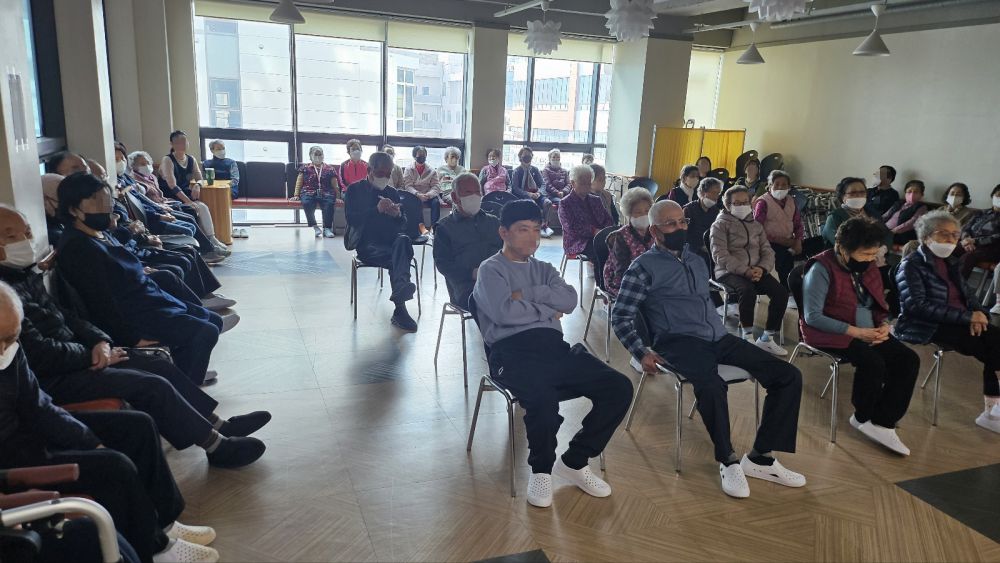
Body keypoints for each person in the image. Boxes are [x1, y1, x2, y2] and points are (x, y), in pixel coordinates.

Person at [0, 208, 268, 467]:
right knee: (152, 385)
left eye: (28, 233)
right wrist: (91, 355)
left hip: (81, 355)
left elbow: (68, 316)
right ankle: (217, 447)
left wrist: (99, 341)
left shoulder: (25, 275)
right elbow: (38, 354)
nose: (25, 241)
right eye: (12, 236)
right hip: (54, 376)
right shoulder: (5, 295)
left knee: (159, 367)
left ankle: (218, 425)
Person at [0, 282, 220, 563]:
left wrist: (90, 441)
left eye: (12, 337)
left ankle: (164, 523)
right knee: (114, 467)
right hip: (11, 457)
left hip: (29, 429)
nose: (5, 348)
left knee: (136, 427)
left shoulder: (10, 349)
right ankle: (155, 549)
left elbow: (38, 406)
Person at [611, 199, 804, 499]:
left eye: (682, 221)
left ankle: (761, 457)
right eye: (670, 224)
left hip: (717, 336)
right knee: (712, 385)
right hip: (677, 341)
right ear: (655, 231)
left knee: (788, 375)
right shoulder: (642, 268)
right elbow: (621, 315)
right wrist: (640, 351)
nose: (679, 228)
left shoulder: (697, 259)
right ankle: (728, 459)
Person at [472, 200, 633, 508]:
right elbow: (504, 313)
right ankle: (542, 470)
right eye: (523, 230)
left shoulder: (544, 269)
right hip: (511, 354)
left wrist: (527, 295)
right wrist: (547, 310)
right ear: (503, 232)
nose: (533, 238)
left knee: (619, 387)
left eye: (536, 229)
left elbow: (569, 301)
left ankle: (574, 461)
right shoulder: (491, 270)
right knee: (543, 400)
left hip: (554, 348)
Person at [54, 173, 226, 386]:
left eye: (107, 201)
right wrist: (131, 337)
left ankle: (185, 372)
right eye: (97, 202)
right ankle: (187, 389)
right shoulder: (78, 247)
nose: (105, 208)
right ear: (73, 209)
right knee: (204, 332)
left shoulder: (97, 232)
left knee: (214, 320)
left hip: (149, 300)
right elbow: (100, 301)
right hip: (135, 314)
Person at [803, 217, 919, 454]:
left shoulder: (868, 266)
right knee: (873, 362)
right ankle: (863, 416)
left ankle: (883, 420)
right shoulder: (821, 268)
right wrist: (857, 332)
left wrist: (884, 325)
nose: (870, 259)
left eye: (873, 254)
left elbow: (877, 302)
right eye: (865, 254)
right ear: (843, 249)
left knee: (908, 360)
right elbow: (812, 316)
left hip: (867, 329)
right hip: (831, 331)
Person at [896, 210, 1000, 434]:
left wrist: (979, 313)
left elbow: (969, 296)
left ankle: (993, 411)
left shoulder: (950, 262)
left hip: (958, 320)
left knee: (995, 342)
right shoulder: (911, 265)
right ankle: (992, 411)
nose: (951, 239)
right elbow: (918, 307)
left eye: (955, 235)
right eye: (943, 234)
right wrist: (968, 317)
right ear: (926, 237)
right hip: (926, 325)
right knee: (993, 346)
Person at [345, 152, 418, 332]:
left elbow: (404, 224)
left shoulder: (391, 192)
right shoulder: (354, 190)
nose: (385, 177)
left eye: (388, 173)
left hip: (391, 242)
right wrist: (376, 210)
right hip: (368, 245)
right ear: (369, 170)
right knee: (399, 258)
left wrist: (397, 215)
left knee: (403, 240)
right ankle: (400, 307)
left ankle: (400, 292)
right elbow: (352, 219)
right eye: (380, 173)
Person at [710, 186, 789, 355]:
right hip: (728, 271)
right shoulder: (719, 225)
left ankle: (767, 338)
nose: (742, 206)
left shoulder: (756, 225)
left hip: (756, 269)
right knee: (747, 291)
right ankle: (747, 336)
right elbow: (720, 255)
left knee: (781, 292)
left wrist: (761, 268)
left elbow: (767, 251)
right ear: (727, 205)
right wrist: (745, 271)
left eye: (745, 202)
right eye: (737, 203)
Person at [433, 174, 501, 308]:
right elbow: (444, 265)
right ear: (455, 197)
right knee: (496, 302)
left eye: (477, 192)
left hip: (498, 281)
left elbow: (509, 252)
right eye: (468, 192)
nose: (474, 196)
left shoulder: (494, 222)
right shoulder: (444, 228)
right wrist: (472, 273)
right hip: (466, 287)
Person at [157, 132, 229, 253]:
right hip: (170, 197)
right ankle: (208, 246)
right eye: (178, 142)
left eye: (184, 141)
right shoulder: (167, 160)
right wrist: (188, 201)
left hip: (185, 194)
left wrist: (197, 185)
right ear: (172, 144)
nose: (182, 144)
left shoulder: (191, 159)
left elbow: (200, 178)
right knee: (195, 208)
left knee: (203, 207)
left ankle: (212, 239)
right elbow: (172, 186)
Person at [753, 170, 803, 291]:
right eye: (777, 184)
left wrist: (798, 241)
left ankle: (792, 288)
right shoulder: (763, 202)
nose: (780, 187)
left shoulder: (791, 201)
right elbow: (757, 228)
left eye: (784, 184)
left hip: (788, 240)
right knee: (784, 258)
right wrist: (779, 240)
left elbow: (798, 223)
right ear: (770, 186)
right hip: (767, 242)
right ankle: (785, 290)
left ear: (789, 187)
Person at [603, 187, 654, 300]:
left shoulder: (654, 231)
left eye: (647, 211)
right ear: (629, 214)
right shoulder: (620, 237)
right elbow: (622, 269)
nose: (644, 215)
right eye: (638, 212)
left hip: (649, 277)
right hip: (623, 279)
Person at [557, 165, 613, 260]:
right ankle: (600, 270)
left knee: (619, 247)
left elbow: (608, 219)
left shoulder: (596, 200)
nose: (587, 187)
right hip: (578, 242)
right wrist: (594, 231)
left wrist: (606, 232)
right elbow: (571, 228)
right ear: (573, 183)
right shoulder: (565, 203)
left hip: (600, 237)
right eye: (583, 183)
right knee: (600, 250)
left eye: (589, 183)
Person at [289, 146, 340, 238]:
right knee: (306, 203)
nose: (318, 157)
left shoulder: (330, 169)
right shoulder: (304, 168)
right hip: (308, 192)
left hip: (326, 192)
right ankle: (315, 227)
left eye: (320, 154)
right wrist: (296, 195)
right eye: (315, 155)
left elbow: (335, 184)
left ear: (323, 155)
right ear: (310, 156)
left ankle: (327, 228)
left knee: (329, 204)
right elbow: (299, 182)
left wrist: (338, 197)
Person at [958, 184, 1000, 279]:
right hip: (970, 244)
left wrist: (975, 241)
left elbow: (998, 237)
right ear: (992, 196)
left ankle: (956, 286)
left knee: (969, 256)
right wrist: (966, 239)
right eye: (998, 195)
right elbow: (965, 228)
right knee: (949, 247)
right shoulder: (980, 213)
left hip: (993, 249)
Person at [511, 147, 553, 238]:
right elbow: (515, 188)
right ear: (520, 157)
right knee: (532, 204)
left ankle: (545, 225)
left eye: (529, 156)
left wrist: (539, 193)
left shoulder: (535, 170)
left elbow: (543, 184)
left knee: (548, 203)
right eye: (525, 155)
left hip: (537, 194)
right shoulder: (517, 171)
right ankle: (538, 227)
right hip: (523, 196)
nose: (527, 157)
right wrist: (528, 194)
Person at [684, 177, 723, 265]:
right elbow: (684, 235)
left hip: (711, 250)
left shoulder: (716, 211)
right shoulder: (688, 210)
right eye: (713, 193)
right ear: (702, 192)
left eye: (718, 193)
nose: (716, 197)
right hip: (693, 251)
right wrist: (700, 246)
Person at [402, 145, 442, 229]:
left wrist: (428, 195)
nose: (422, 158)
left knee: (436, 203)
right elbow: (408, 186)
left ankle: (433, 227)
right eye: (419, 156)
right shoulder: (408, 169)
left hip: (428, 195)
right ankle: (417, 227)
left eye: (424, 156)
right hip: (414, 194)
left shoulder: (432, 170)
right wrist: (417, 194)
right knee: (410, 203)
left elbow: (436, 186)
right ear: (414, 156)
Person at [882, 180, 929, 245]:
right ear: (905, 193)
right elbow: (885, 215)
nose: (912, 195)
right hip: (885, 231)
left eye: (916, 192)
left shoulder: (922, 207)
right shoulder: (898, 203)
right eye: (909, 192)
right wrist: (876, 223)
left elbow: (912, 222)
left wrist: (893, 231)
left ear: (921, 195)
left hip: (901, 235)